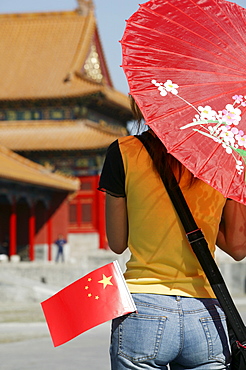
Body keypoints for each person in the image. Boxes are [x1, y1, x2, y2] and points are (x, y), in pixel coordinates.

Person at [98, 98, 246, 370]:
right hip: (205, 311)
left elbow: (117, 243)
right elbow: (238, 247)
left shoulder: (123, 151)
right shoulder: (226, 156)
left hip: (143, 306)